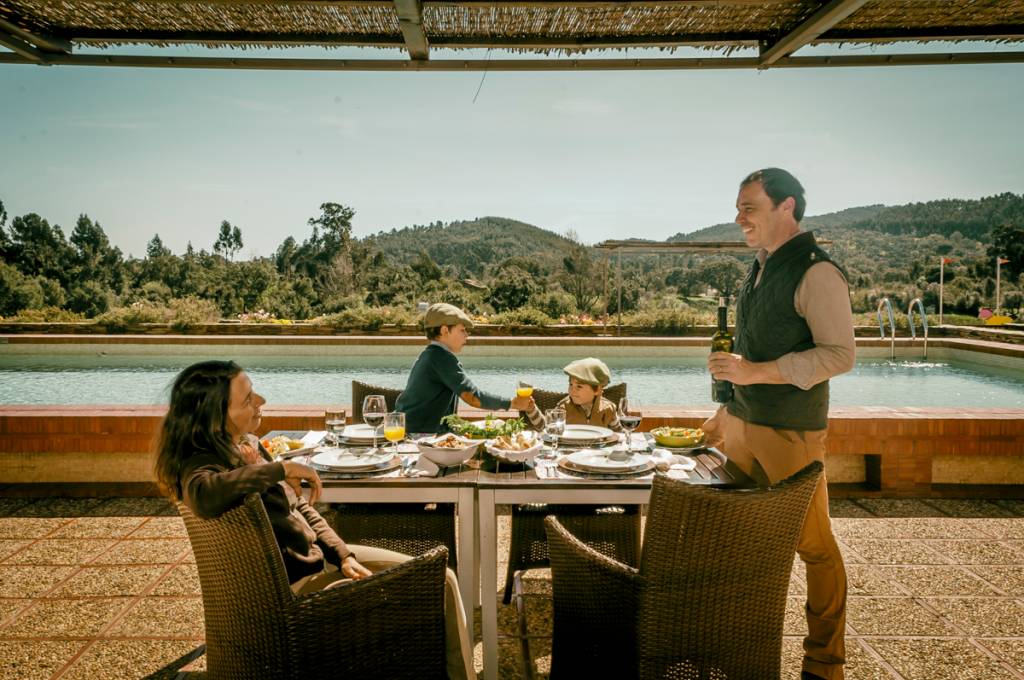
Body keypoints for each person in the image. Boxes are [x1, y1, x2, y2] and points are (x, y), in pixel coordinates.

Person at [153, 360, 476, 680]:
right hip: (294, 589)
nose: (261, 401)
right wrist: (280, 469)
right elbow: (203, 494)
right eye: (248, 398)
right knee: (441, 581)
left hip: (317, 560)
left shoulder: (244, 446)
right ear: (214, 413)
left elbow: (301, 509)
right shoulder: (201, 462)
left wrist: (342, 554)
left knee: (439, 577)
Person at [704, 168, 854, 680]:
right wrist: (727, 400)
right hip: (742, 426)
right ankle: (741, 649)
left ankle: (824, 664)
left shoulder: (817, 272)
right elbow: (752, 347)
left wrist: (756, 373)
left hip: (790, 432)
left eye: (750, 207)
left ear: (786, 208)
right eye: (738, 206)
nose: (739, 216)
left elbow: (839, 355)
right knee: (742, 541)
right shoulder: (759, 267)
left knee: (815, 548)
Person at [396, 302, 533, 433]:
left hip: (411, 427)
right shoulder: (441, 358)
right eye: (462, 330)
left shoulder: (431, 354)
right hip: (419, 434)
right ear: (445, 331)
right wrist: (512, 403)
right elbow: (473, 397)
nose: (466, 336)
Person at [523, 357, 622, 432]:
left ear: (597, 390)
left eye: (579, 386)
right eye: (571, 384)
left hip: (597, 456)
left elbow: (619, 432)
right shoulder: (564, 408)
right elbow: (545, 428)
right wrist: (531, 409)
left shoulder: (609, 409)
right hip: (569, 453)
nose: (572, 390)